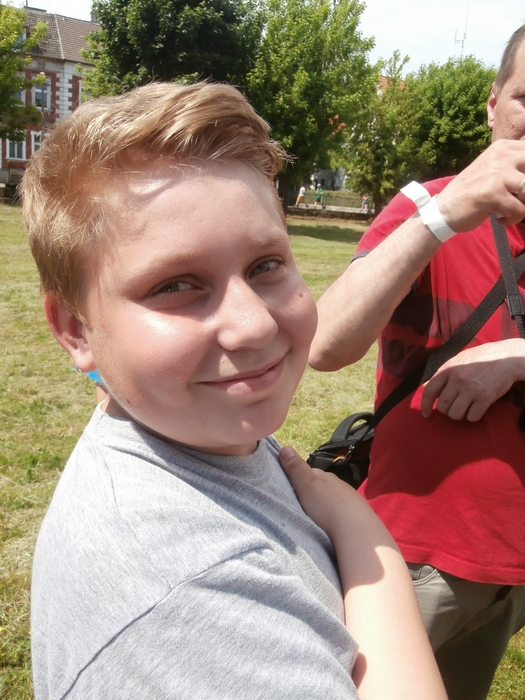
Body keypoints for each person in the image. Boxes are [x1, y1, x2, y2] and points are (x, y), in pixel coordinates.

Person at [22, 82, 446, 700]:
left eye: (265, 265)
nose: (255, 325)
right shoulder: (184, 590)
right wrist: (363, 532)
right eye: (176, 285)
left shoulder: (204, 433)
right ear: (74, 329)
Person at [309, 23, 525, 700]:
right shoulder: (426, 207)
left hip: (512, 570)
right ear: (492, 105)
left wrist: (517, 355)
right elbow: (324, 345)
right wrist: (445, 214)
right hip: (413, 559)